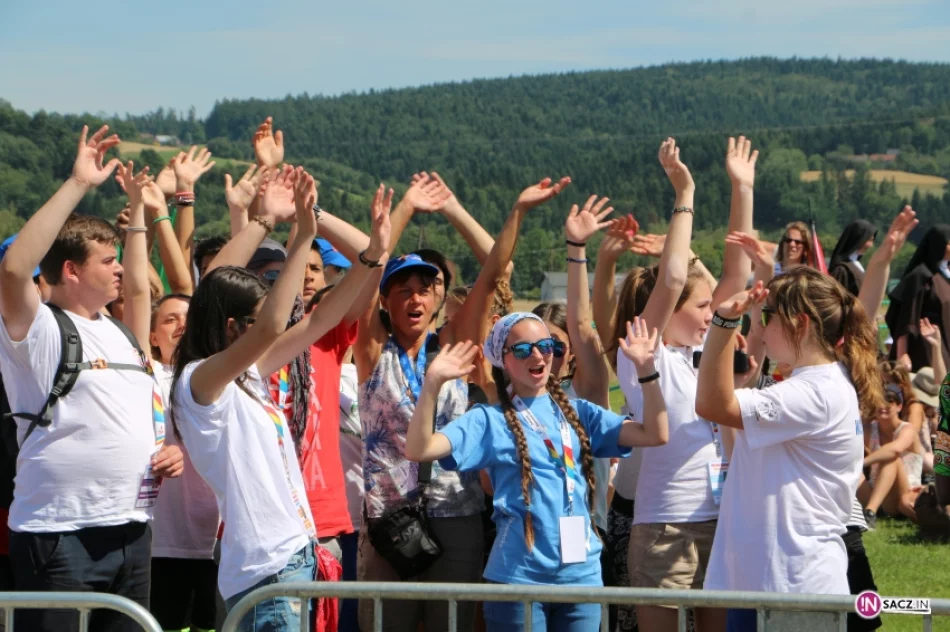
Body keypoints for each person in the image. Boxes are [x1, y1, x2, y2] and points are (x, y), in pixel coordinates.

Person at [170, 167, 391, 631]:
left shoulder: (244, 375)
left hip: (291, 556)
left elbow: (319, 321)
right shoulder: (199, 382)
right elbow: (272, 324)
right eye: (253, 318)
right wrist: (294, 234)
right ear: (232, 327)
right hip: (264, 568)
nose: (267, 324)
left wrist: (371, 257)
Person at [354, 175, 568, 632]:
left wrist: (517, 211)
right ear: (387, 302)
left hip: (458, 513)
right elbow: (369, 276)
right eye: (403, 289)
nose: (415, 296)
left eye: (426, 288)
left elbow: (495, 272)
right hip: (389, 518)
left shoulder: (458, 347)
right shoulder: (373, 352)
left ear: (437, 299)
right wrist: (406, 207)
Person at [0, 128, 183, 632]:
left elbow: (144, 291)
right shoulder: (37, 329)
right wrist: (79, 182)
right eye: (108, 261)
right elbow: (16, 269)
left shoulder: (125, 336)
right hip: (60, 536)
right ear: (70, 271)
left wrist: (169, 452)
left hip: (131, 532)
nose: (122, 272)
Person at [404, 313, 668, 632]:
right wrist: (432, 384)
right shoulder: (489, 419)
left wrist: (646, 370)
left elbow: (655, 434)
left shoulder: (580, 412)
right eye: (522, 349)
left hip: (581, 581)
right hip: (518, 582)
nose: (538, 355)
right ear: (502, 359)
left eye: (546, 346)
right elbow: (419, 450)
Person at [615, 137, 756, 632]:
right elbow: (673, 276)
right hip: (665, 525)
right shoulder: (640, 350)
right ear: (668, 310)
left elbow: (738, 274)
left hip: (720, 517)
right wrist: (685, 191)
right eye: (702, 308)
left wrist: (743, 189)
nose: (708, 316)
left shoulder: (705, 356)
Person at [695, 268, 882, 632]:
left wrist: (722, 324)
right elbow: (740, 449)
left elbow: (711, 405)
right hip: (767, 581)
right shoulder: (817, 384)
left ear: (800, 323)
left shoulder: (815, 391)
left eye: (768, 317)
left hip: (793, 586)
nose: (762, 329)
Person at [148, 293, 222, 632]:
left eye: (189, 320)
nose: (181, 326)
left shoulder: (220, 378)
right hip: (162, 543)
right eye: (170, 319)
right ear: (152, 337)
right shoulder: (145, 378)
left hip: (219, 543)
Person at [884, 225, 950, 372]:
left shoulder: (945, 274)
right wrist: (903, 354)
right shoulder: (921, 276)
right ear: (940, 245)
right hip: (926, 348)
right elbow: (906, 318)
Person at [829, 220, 877, 297]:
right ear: (858, 239)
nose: (871, 245)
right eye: (869, 240)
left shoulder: (856, 264)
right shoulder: (841, 270)